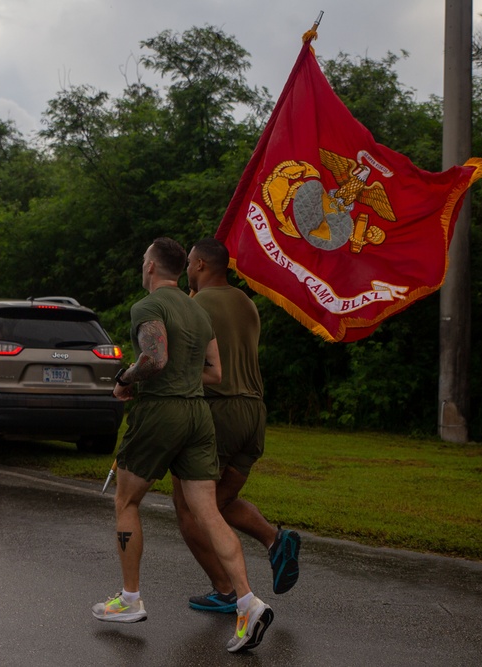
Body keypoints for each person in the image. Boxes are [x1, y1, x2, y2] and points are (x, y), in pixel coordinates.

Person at [91, 237, 274, 654]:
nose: (142, 267)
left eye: (143, 261)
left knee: (126, 502)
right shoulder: (197, 309)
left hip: (161, 414)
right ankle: (248, 603)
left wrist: (124, 380)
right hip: (198, 416)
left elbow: (154, 359)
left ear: (153, 268)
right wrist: (180, 380)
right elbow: (214, 372)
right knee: (208, 511)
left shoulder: (148, 307)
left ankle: (129, 599)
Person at [173, 237, 301, 614]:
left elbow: (186, 364)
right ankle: (276, 540)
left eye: (189, 264)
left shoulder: (196, 304)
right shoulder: (247, 302)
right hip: (254, 412)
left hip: (218, 410)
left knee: (190, 507)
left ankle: (226, 590)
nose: (186, 271)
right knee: (219, 502)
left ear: (199, 265)